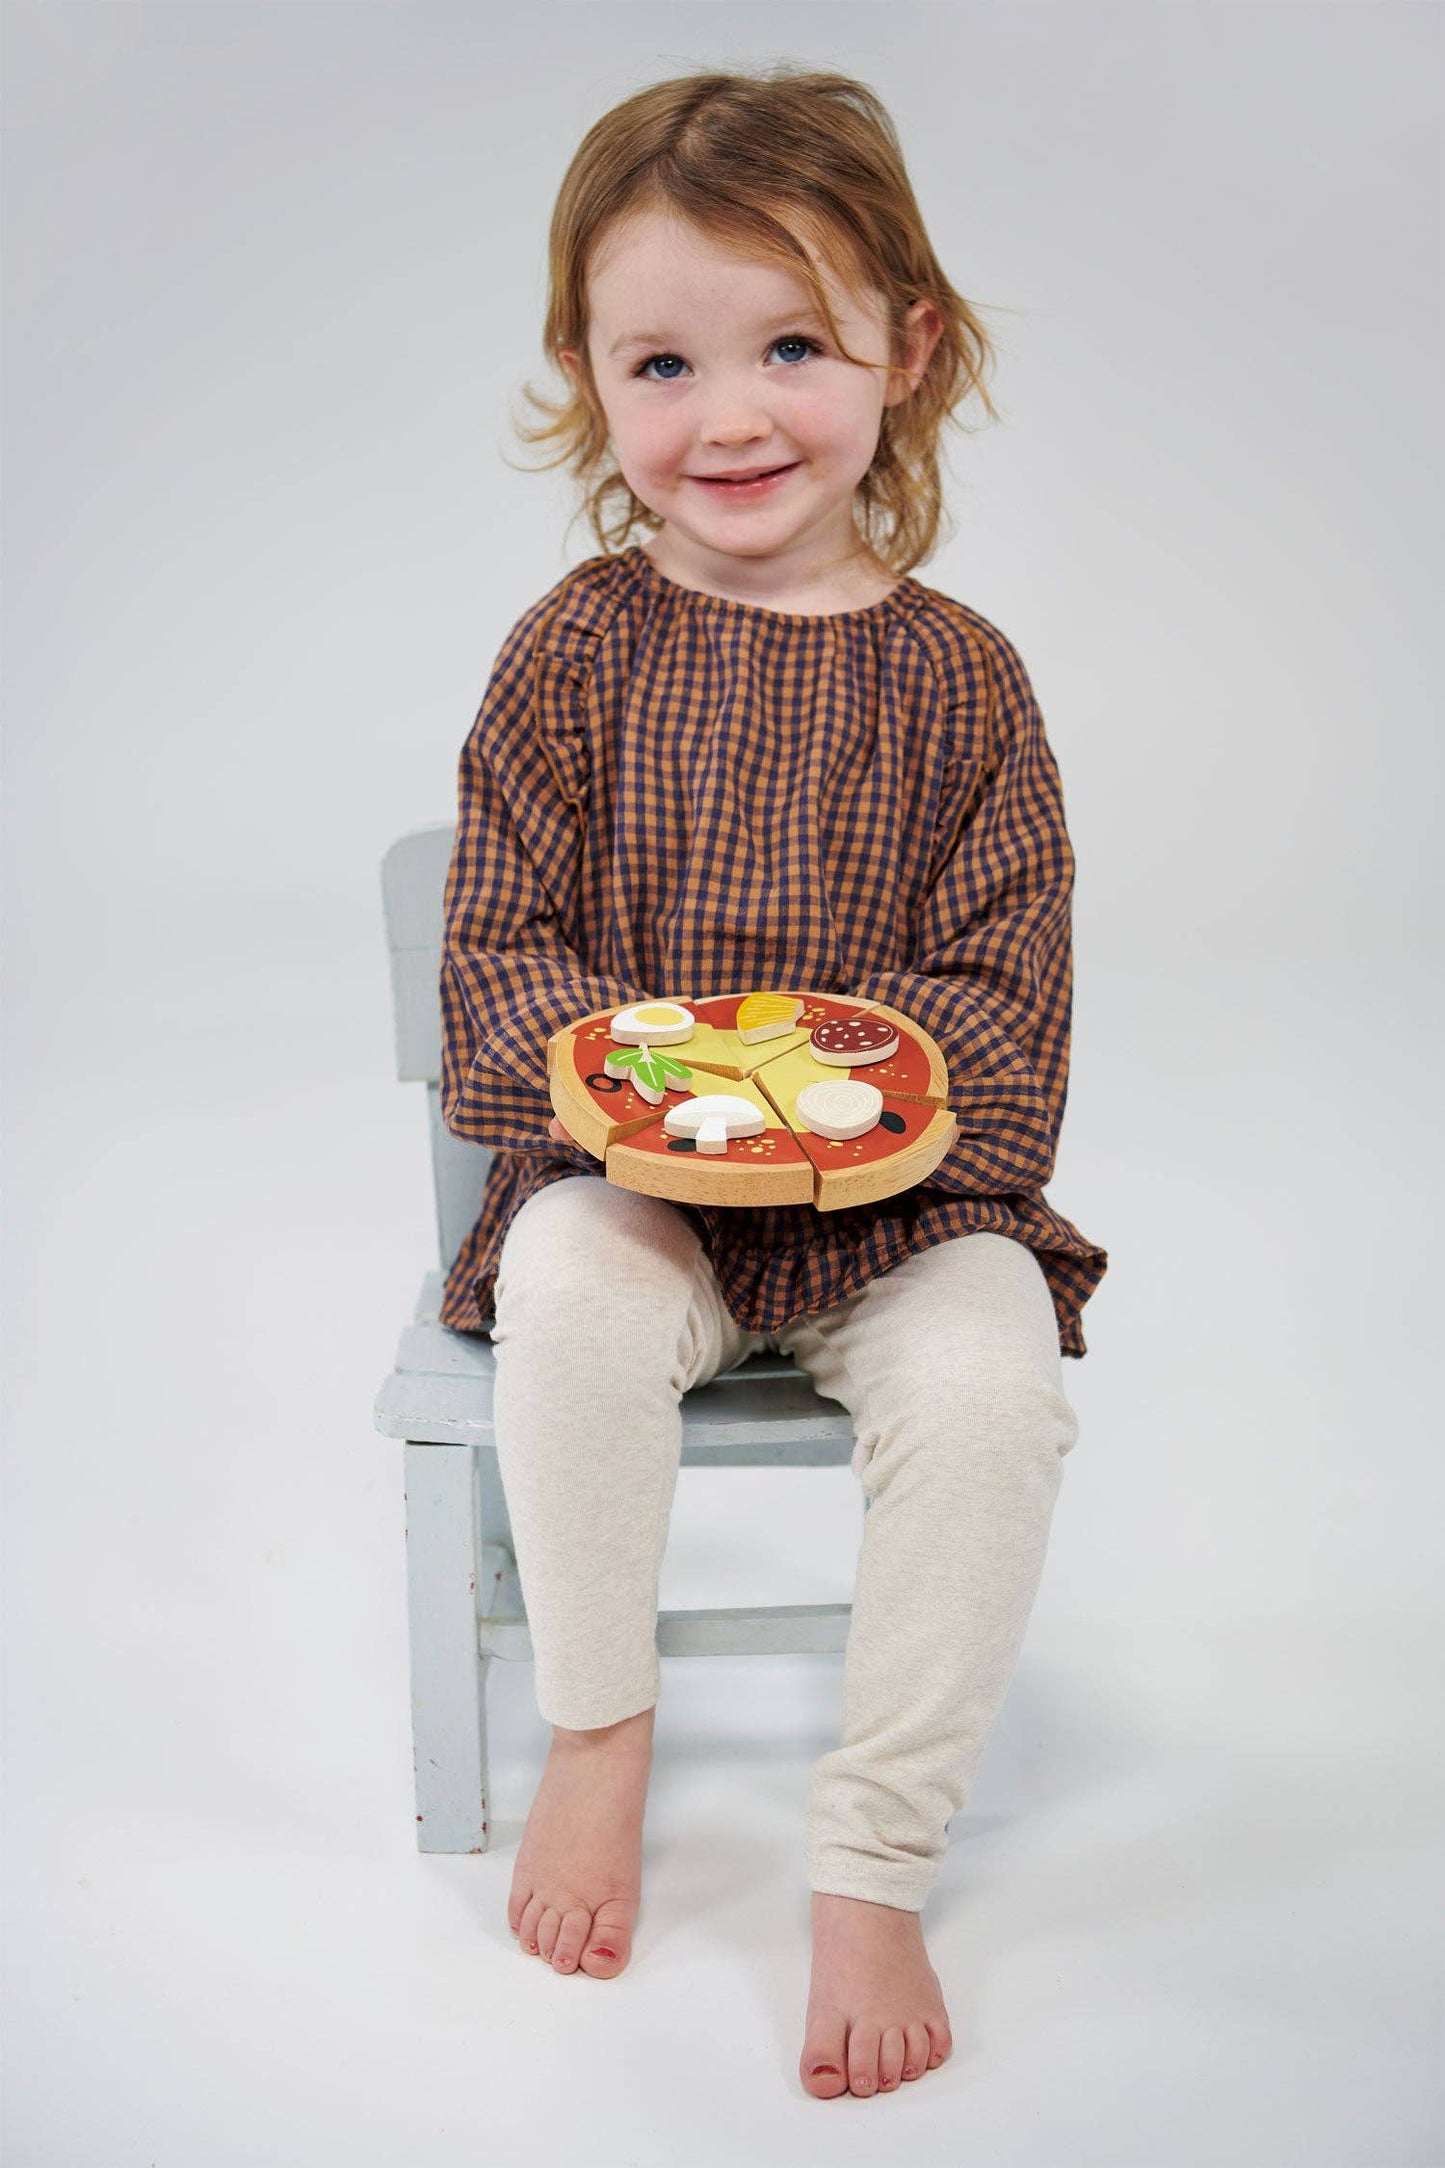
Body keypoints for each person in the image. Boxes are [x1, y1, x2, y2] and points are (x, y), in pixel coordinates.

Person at [436, 65, 1109, 2100]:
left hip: (901, 1209)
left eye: (791, 346)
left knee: (994, 1386)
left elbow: (1005, 988)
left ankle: (874, 1851)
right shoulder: (570, 652)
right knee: (567, 1294)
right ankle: (599, 1727)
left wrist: (842, 1109)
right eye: (664, 361)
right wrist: (649, 1099)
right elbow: (500, 947)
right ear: (587, 374)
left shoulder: (962, 680)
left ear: (909, 346)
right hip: (639, 1190)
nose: (729, 415)